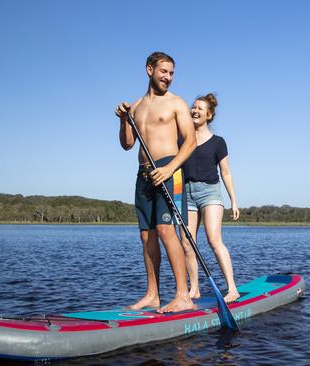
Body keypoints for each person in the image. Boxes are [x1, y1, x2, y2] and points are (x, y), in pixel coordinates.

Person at [115, 51, 196, 313]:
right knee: (146, 235)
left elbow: (190, 142)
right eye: (164, 72)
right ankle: (152, 294)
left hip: (169, 170)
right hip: (143, 173)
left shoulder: (176, 103)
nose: (168, 78)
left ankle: (182, 295)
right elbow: (127, 144)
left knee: (165, 231)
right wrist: (123, 120)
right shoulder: (137, 106)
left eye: (172, 73)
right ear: (150, 70)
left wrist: (171, 168)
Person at [180, 93, 241, 303]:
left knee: (214, 240)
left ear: (209, 114)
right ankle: (194, 289)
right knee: (187, 243)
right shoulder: (182, 139)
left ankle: (232, 288)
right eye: (193, 107)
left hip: (210, 192)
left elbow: (226, 172)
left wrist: (233, 200)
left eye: (200, 108)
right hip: (186, 193)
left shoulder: (218, 142)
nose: (195, 110)